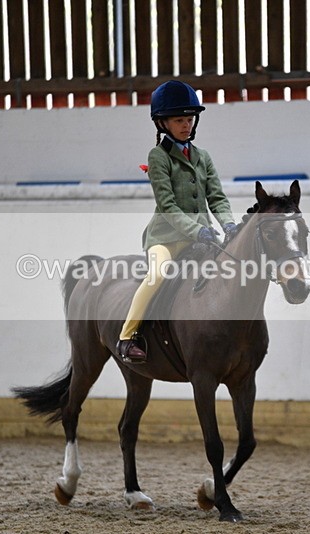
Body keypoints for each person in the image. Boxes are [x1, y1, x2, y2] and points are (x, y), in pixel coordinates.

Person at [117, 80, 238, 364]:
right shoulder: (158, 157)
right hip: (166, 238)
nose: (186, 125)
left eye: (189, 119)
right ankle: (127, 336)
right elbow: (168, 206)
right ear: (163, 123)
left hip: (204, 236)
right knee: (157, 276)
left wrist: (228, 225)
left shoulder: (203, 157)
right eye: (179, 120)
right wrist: (199, 231)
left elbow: (217, 198)